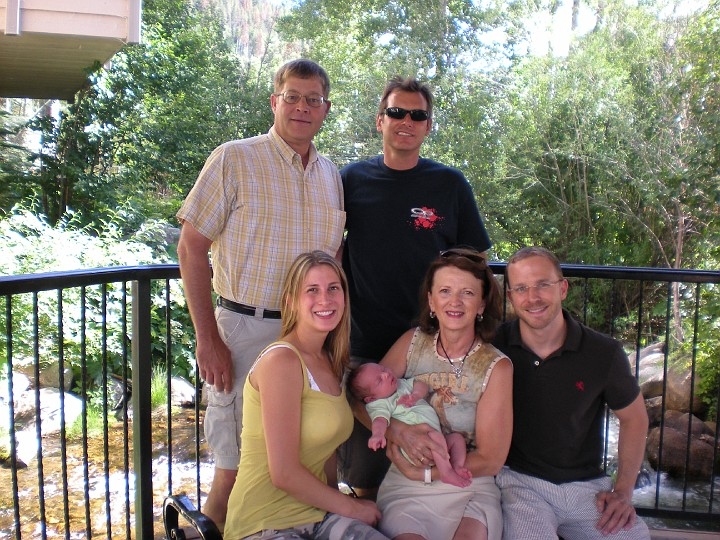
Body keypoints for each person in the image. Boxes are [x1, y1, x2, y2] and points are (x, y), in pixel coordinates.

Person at [176, 58, 345, 528]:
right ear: (275, 102)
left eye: (313, 99)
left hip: (313, 338)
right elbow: (191, 248)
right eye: (292, 97)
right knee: (234, 470)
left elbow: (334, 258)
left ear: (326, 109)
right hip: (245, 333)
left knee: (318, 461)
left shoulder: (331, 175)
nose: (302, 107)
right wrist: (208, 338)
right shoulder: (235, 159)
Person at [339, 75, 493, 494]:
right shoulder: (350, 180)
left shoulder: (449, 184)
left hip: (431, 346)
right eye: (396, 112)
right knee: (365, 475)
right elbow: (327, 249)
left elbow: (475, 262)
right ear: (380, 121)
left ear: (428, 126)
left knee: (434, 451)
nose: (406, 121)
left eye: (417, 115)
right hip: (365, 347)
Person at [223, 251, 389, 540]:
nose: (325, 299)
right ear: (291, 301)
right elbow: (283, 473)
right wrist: (352, 507)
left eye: (333, 288)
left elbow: (327, 452)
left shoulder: (332, 361)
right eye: (312, 290)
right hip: (264, 523)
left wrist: (341, 509)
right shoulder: (282, 361)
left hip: (317, 515)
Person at [493, 246, 651, 540]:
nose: (533, 297)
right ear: (511, 297)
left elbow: (635, 418)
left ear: (563, 288)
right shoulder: (493, 346)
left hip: (588, 489)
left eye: (543, 284)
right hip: (519, 483)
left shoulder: (603, 352)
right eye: (521, 288)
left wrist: (623, 491)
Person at [365, 248, 513, 540]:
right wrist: (397, 431)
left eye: (467, 293)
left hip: (468, 481)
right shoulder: (412, 343)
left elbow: (490, 459)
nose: (454, 302)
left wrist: (427, 473)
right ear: (431, 300)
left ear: (482, 304)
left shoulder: (496, 366)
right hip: (407, 484)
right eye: (445, 291)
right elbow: (363, 399)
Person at [348, 362, 472, 488]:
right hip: (417, 448)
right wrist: (377, 434)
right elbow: (379, 421)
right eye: (379, 380)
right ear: (371, 399)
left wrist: (416, 395)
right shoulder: (380, 404)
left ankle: (457, 466)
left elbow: (421, 384)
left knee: (457, 439)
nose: (386, 374)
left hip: (436, 439)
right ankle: (446, 472)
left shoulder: (401, 384)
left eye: (383, 369)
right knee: (435, 436)